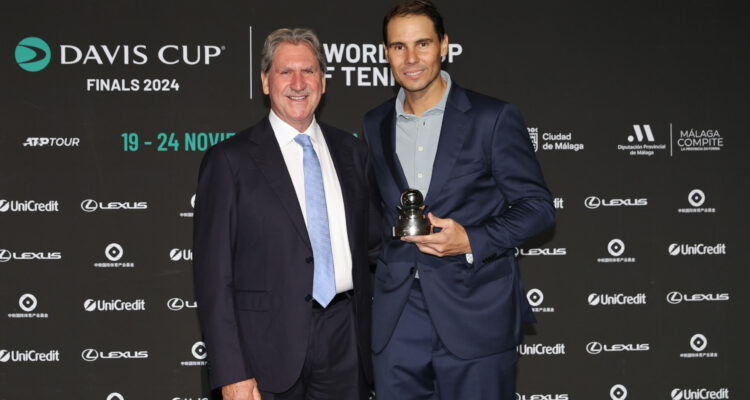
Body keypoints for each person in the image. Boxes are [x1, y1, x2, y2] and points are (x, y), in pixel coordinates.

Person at [362, 1, 555, 398]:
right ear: (385, 53)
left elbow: (538, 208)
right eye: (399, 47)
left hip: (475, 312)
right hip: (397, 318)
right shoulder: (373, 123)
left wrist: (470, 239)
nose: (411, 58)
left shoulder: (492, 117)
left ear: (444, 45)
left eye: (423, 44)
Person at [193, 28, 377, 400]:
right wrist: (232, 373)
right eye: (284, 72)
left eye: (308, 71)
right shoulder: (229, 160)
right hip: (264, 353)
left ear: (323, 82)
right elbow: (213, 278)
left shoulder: (353, 154)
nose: (298, 83)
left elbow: (373, 249)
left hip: (345, 343)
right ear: (265, 81)